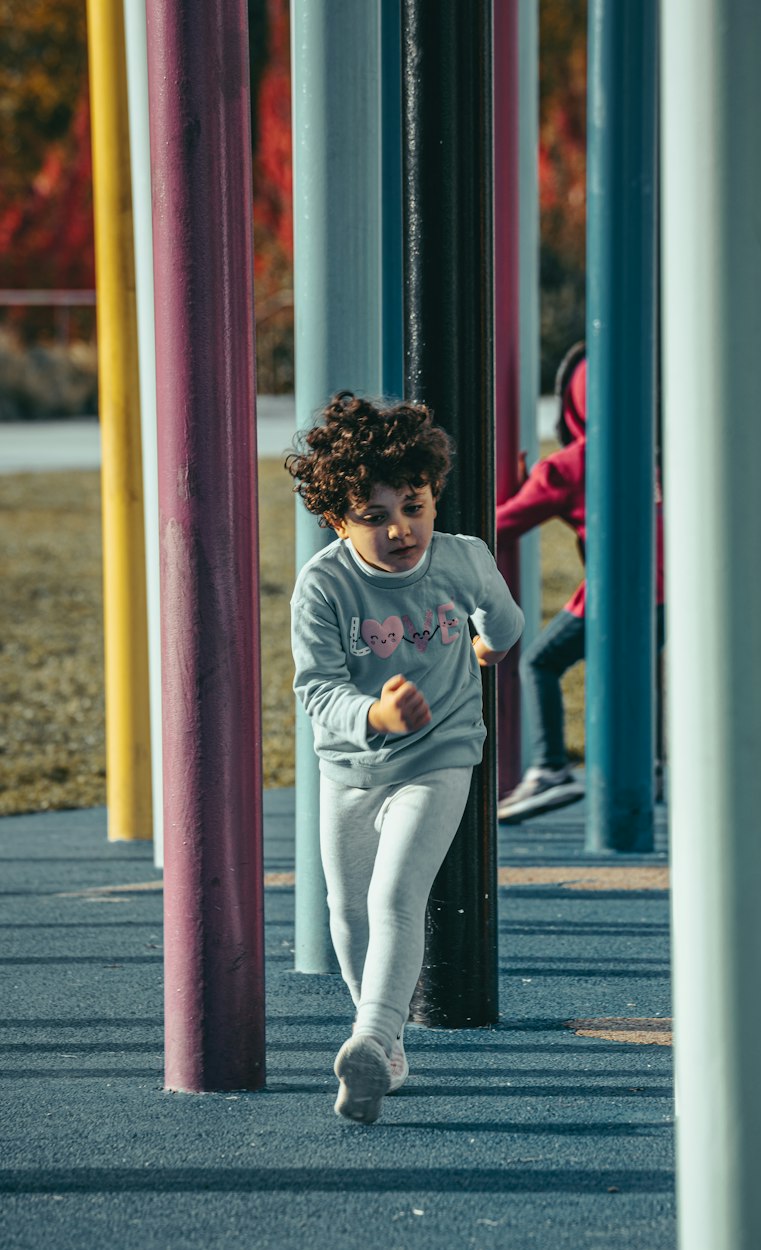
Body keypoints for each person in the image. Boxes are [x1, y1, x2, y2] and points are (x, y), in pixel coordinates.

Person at [287, 392, 523, 1124]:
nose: (401, 529)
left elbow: (506, 623)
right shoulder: (324, 586)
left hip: (441, 752)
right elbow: (317, 690)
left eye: (414, 506)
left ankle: (371, 1036)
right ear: (336, 518)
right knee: (346, 910)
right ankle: (383, 1050)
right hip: (351, 767)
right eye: (375, 514)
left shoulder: (464, 560)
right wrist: (375, 715)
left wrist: (486, 643)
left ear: (432, 496)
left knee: (396, 897)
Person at [496, 343, 664, 822]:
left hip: (616, 591)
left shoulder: (567, 466)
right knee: (638, 673)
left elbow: (501, 524)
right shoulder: (647, 453)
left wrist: (525, 485)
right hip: (669, 592)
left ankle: (550, 770)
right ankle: (645, 766)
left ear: (572, 403)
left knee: (539, 663)